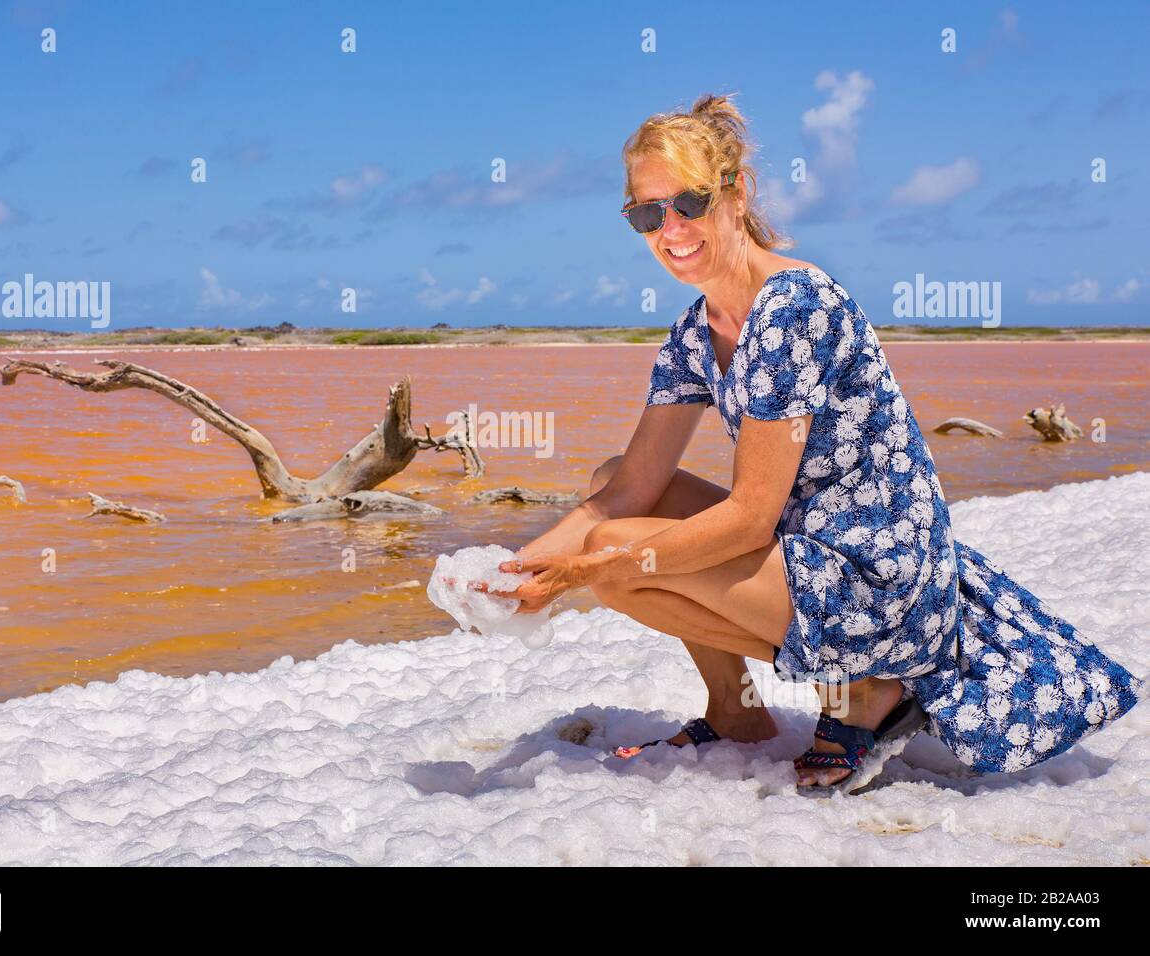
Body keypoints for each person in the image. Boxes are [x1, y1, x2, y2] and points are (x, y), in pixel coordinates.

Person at [489, 93, 1142, 794]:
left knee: (612, 559)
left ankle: (870, 688)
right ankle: (736, 714)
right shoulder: (695, 330)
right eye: (647, 213)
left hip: (881, 571)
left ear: (738, 192)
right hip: (812, 547)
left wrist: (591, 569)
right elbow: (629, 488)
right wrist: (507, 570)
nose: (669, 228)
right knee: (610, 480)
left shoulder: (793, 308)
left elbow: (750, 518)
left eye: (689, 202)